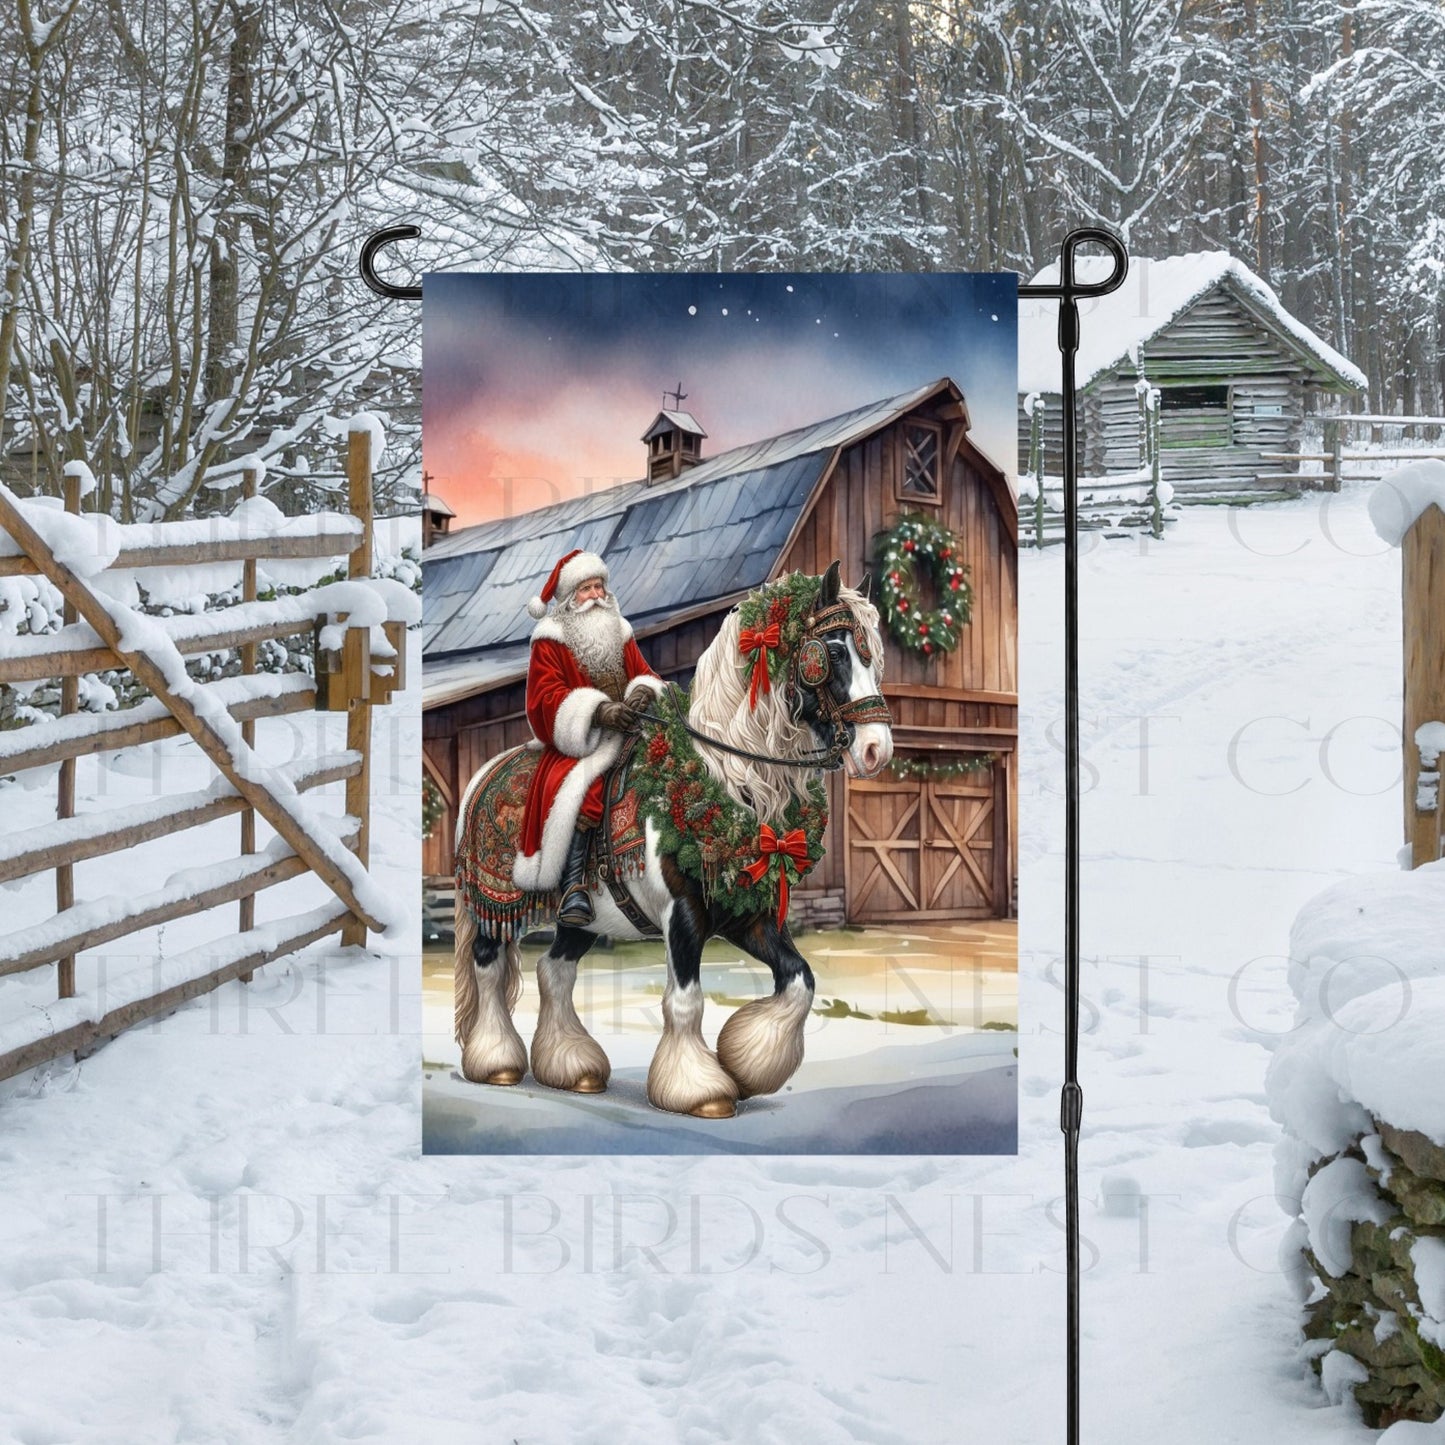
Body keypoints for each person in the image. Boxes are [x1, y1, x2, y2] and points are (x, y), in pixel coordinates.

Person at [513, 548, 667, 926]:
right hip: (582, 742)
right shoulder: (550, 639)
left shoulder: (620, 631)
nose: (597, 595)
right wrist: (598, 712)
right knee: (586, 789)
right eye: (586, 588)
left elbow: (645, 672)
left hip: (632, 732)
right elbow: (544, 702)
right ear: (569, 597)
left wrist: (643, 690)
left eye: (600, 586)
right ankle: (573, 886)